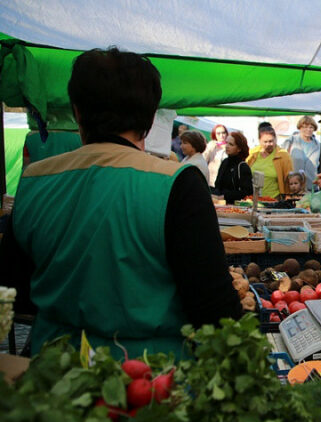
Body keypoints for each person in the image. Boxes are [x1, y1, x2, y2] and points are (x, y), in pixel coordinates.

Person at [0, 47, 242, 359]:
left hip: (53, 378)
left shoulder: (34, 179)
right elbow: (215, 309)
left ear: (76, 111)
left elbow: (14, 294)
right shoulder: (176, 183)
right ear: (152, 116)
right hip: (151, 383)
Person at [246, 127, 294, 198]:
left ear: (276, 140)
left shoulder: (283, 155)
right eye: (265, 142)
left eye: (271, 141)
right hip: (253, 199)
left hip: (274, 199)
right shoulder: (253, 153)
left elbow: (289, 178)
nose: (268, 144)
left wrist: (288, 197)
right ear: (259, 141)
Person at [213, 131, 253, 204]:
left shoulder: (242, 167)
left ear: (239, 149)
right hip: (220, 205)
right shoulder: (225, 162)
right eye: (227, 143)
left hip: (236, 207)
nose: (227, 146)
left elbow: (247, 193)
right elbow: (218, 185)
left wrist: (225, 196)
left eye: (231, 144)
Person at [204, 123, 229, 189]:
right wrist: (209, 148)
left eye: (223, 133)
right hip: (212, 182)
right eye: (218, 133)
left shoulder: (230, 146)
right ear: (214, 135)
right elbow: (204, 159)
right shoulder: (212, 146)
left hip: (226, 183)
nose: (221, 135)